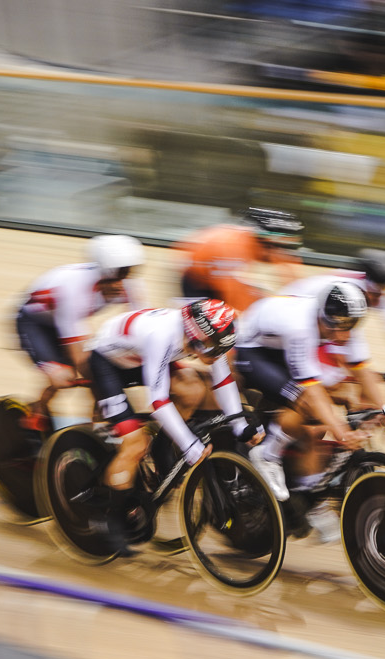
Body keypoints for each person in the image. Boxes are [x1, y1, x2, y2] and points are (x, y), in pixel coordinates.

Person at [84, 301, 245, 535]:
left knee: (193, 391)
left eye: (223, 347)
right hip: (107, 363)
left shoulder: (207, 335)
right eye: (214, 347)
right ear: (195, 336)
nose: (218, 353)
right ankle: (111, 521)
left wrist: (240, 423)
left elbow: (222, 380)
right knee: (135, 445)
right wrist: (188, 444)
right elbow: (158, 401)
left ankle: (161, 449)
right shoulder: (162, 335)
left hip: (140, 357)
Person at [237, 282, 369, 499]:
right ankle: (267, 455)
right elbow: (311, 391)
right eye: (344, 326)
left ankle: (307, 488)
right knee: (307, 403)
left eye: (353, 324)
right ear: (328, 318)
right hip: (253, 352)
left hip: (277, 347)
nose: (347, 335)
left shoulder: (327, 321)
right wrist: (342, 433)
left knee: (323, 404)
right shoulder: (301, 327)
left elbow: (359, 368)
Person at [15, 235, 147, 429]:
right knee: (63, 376)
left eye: (128, 273)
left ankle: (98, 422)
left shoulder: (128, 284)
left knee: (103, 369)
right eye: (120, 274)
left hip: (63, 321)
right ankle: (38, 410)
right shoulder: (73, 289)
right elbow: (79, 356)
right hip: (34, 323)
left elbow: (140, 327)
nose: (123, 283)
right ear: (105, 272)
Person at [284, 248, 385, 374]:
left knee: (349, 373)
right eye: (375, 295)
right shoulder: (347, 289)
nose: (379, 298)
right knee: (334, 378)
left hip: (319, 321)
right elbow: (343, 339)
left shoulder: (380, 292)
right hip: (293, 314)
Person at [177, 208, 304, 313]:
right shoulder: (232, 248)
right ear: (267, 243)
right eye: (281, 248)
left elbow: (292, 278)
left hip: (215, 267)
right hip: (196, 279)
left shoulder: (261, 244)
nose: (283, 253)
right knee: (215, 323)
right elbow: (237, 299)